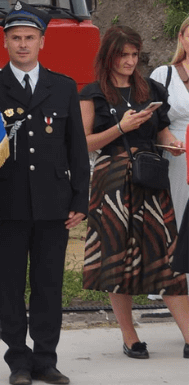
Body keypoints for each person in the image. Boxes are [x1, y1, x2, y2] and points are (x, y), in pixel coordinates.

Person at [0, 1, 89, 385]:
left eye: (30, 38)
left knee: (48, 286)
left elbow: (76, 148)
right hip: (7, 204)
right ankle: (19, 361)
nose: (23, 45)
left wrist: (80, 199)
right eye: (16, 38)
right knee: (11, 288)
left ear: (42, 42)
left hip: (53, 205)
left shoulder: (61, 87)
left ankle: (46, 359)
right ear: (6, 41)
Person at [79, 25, 189, 361]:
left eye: (134, 55)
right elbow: (84, 143)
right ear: (109, 56)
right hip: (111, 180)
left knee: (168, 256)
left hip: (151, 180)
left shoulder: (151, 88)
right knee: (116, 257)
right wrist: (120, 128)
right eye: (123, 55)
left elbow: (164, 131)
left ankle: (188, 334)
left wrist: (173, 146)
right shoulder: (93, 92)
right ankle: (130, 335)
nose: (129, 61)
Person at [150, 14, 189, 230]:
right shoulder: (164, 74)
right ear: (181, 38)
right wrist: (171, 142)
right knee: (175, 216)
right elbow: (152, 121)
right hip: (178, 155)